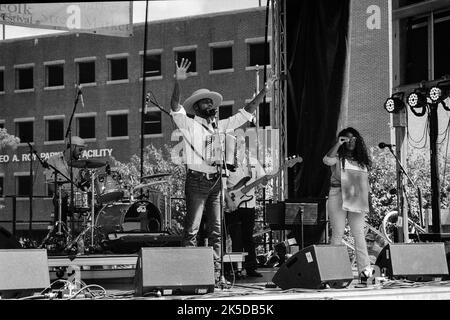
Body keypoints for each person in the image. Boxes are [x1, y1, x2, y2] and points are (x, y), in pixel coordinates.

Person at [170, 58, 274, 283]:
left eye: (211, 102)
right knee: (192, 230)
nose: (211, 105)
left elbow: (245, 113)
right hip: (197, 182)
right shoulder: (189, 124)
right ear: (197, 107)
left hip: (217, 182)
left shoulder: (220, 126)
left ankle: (217, 276)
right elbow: (174, 107)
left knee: (217, 232)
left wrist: (264, 92)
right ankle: (189, 276)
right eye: (206, 103)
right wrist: (178, 81)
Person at [323, 127, 374, 283]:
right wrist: (338, 144)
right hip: (337, 195)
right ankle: (334, 273)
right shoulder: (338, 157)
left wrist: (369, 202)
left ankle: (365, 273)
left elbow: (365, 184)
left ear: (357, 141)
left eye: (353, 139)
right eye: (347, 138)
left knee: (359, 234)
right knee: (337, 234)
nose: (350, 141)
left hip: (356, 197)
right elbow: (326, 160)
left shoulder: (362, 161)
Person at [224, 151, 266, 278]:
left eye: (242, 144)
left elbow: (263, 181)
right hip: (233, 205)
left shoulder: (253, 162)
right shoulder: (228, 163)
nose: (240, 148)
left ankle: (251, 268)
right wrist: (229, 201)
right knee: (235, 238)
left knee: (248, 237)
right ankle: (233, 269)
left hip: (250, 204)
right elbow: (223, 185)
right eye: (237, 144)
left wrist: (265, 180)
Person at [43, 136, 88, 229]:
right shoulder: (53, 160)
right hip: (61, 195)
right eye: (80, 149)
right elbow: (51, 185)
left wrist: (87, 179)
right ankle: (60, 231)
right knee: (61, 201)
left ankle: (86, 234)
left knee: (92, 202)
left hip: (76, 196)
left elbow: (83, 184)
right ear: (72, 147)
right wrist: (60, 193)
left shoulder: (81, 164)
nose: (81, 153)